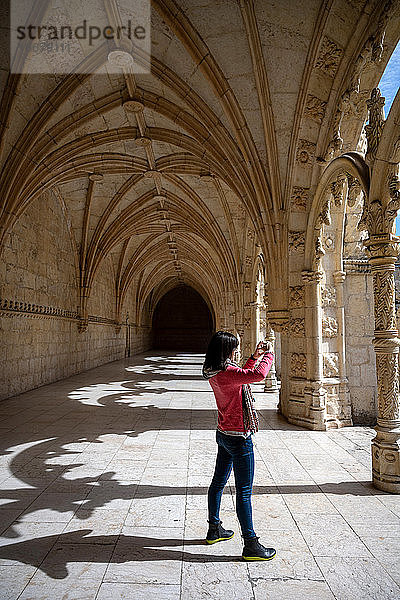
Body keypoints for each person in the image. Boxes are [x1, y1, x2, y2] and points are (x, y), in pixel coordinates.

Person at [202, 330, 276, 561]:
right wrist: (269, 355)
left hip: (223, 432)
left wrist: (254, 355)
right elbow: (256, 376)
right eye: (234, 348)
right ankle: (251, 544)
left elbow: (242, 374)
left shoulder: (213, 370)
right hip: (239, 437)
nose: (236, 351)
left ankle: (214, 528)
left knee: (217, 483)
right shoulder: (227, 372)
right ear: (227, 351)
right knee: (243, 492)